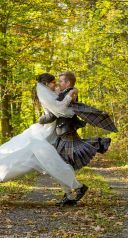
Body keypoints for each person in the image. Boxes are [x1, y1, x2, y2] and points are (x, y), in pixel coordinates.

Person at [0, 73, 86, 206]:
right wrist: (70, 95)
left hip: (49, 133)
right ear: (47, 84)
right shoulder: (46, 95)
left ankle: (71, 193)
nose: (56, 84)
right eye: (53, 83)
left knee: (51, 162)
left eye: (58, 82)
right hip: (44, 134)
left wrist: (71, 92)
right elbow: (59, 109)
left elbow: (61, 99)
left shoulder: (51, 93)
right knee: (41, 160)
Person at [39, 72, 112, 202]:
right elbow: (55, 94)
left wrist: (41, 120)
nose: (57, 84)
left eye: (60, 81)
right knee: (60, 166)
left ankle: (97, 144)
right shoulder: (64, 92)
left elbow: (56, 113)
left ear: (67, 83)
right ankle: (69, 194)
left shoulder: (70, 93)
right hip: (62, 134)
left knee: (60, 165)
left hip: (67, 134)